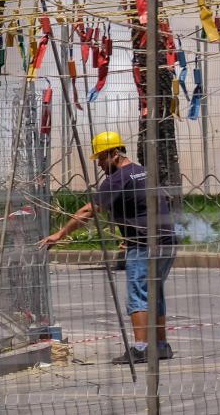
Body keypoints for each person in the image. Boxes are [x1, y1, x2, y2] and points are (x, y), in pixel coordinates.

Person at [38, 131, 178, 364]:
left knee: (138, 297)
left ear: (114, 154)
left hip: (145, 245)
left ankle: (141, 349)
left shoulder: (118, 178)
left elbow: (88, 210)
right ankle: (161, 346)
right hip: (167, 241)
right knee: (156, 293)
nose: (100, 164)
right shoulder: (142, 171)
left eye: (102, 158)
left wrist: (60, 234)